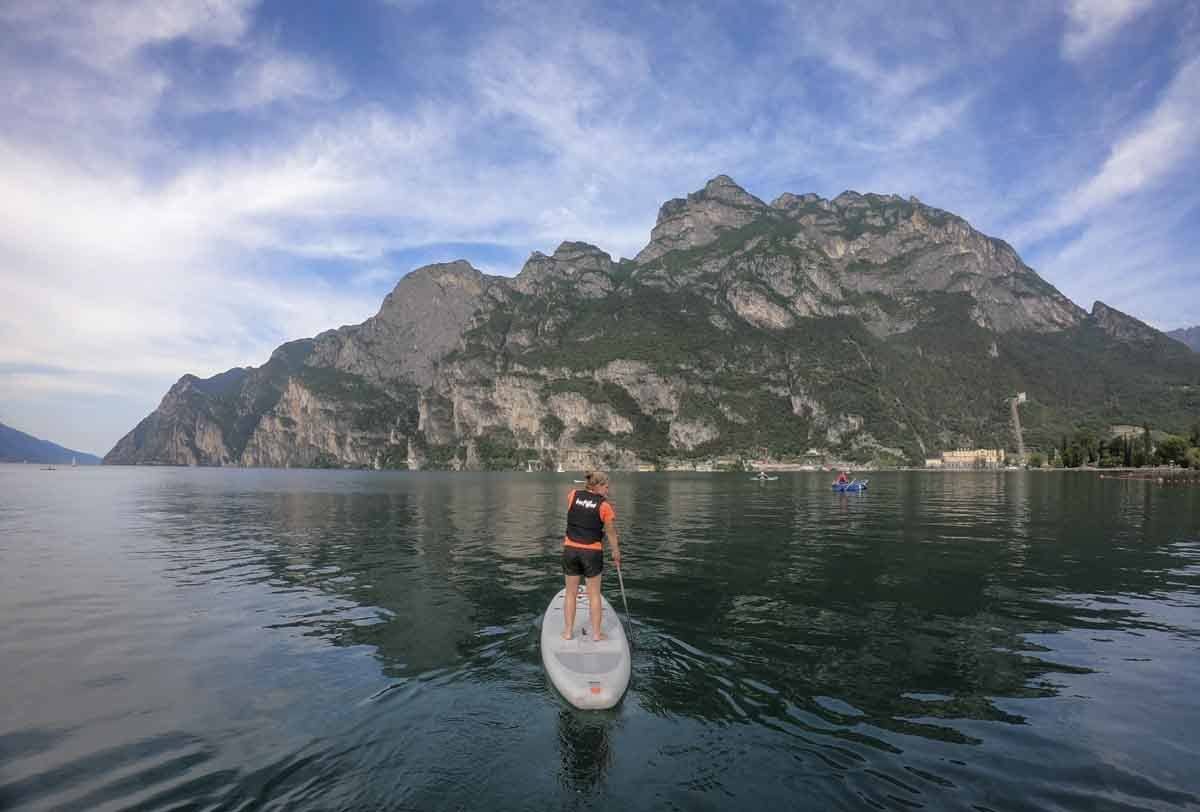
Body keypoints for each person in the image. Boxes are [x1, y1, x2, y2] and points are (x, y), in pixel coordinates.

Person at [561, 470, 621, 641]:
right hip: (591, 552)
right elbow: (610, 532)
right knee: (594, 594)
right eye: (606, 487)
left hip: (570, 550)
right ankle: (596, 634)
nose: (607, 491)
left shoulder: (572, 495)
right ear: (598, 485)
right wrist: (616, 552)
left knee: (570, 593)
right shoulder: (604, 506)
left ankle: (567, 632)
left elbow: (577, 514)